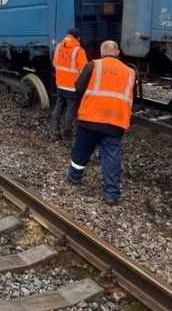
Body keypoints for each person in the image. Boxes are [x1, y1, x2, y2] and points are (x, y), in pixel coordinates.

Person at [66, 40, 136, 206]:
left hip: (91, 117)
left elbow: (78, 88)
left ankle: (74, 176)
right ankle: (111, 194)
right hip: (116, 121)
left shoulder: (93, 65)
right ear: (118, 52)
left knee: (81, 149)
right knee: (112, 157)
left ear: (101, 52)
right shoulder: (130, 72)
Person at [51, 28, 88, 142]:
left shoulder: (58, 47)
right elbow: (84, 70)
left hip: (60, 84)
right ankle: (67, 134)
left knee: (59, 106)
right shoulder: (79, 51)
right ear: (78, 38)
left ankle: (54, 132)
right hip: (72, 86)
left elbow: (54, 64)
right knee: (70, 109)